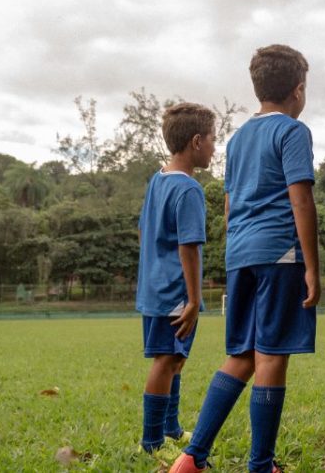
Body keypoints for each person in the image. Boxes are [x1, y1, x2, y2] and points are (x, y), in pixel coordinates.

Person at [172, 45, 321, 473]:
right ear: (298, 90)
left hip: (240, 254)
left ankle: (192, 457)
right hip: (279, 253)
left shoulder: (237, 140)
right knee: (271, 356)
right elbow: (302, 201)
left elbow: (229, 206)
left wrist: (235, 251)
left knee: (242, 353)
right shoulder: (293, 132)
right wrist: (311, 266)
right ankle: (261, 465)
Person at [135, 102, 215, 454]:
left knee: (176, 358)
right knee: (166, 360)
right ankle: (151, 442)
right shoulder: (188, 190)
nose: (215, 146)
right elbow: (189, 249)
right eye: (213, 138)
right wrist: (195, 299)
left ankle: (170, 428)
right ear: (196, 141)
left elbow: (142, 230)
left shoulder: (158, 180)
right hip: (173, 293)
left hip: (154, 286)